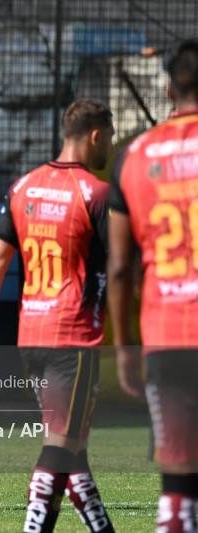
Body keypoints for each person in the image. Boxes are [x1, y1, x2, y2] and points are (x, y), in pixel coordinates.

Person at [0, 99, 116, 533]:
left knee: (71, 448)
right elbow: (123, 268)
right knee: (61, 448)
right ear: (96, 136)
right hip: (74, 337)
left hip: (32, 334)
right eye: (110, 137)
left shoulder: (23, 187)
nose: (110, 146)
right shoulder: (96, 193)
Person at [107, 39, 198, 533]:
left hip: (167, 337)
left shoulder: (134, 156)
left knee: (178, 484)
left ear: (168, 89)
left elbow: (121, 266)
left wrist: (125, 349)